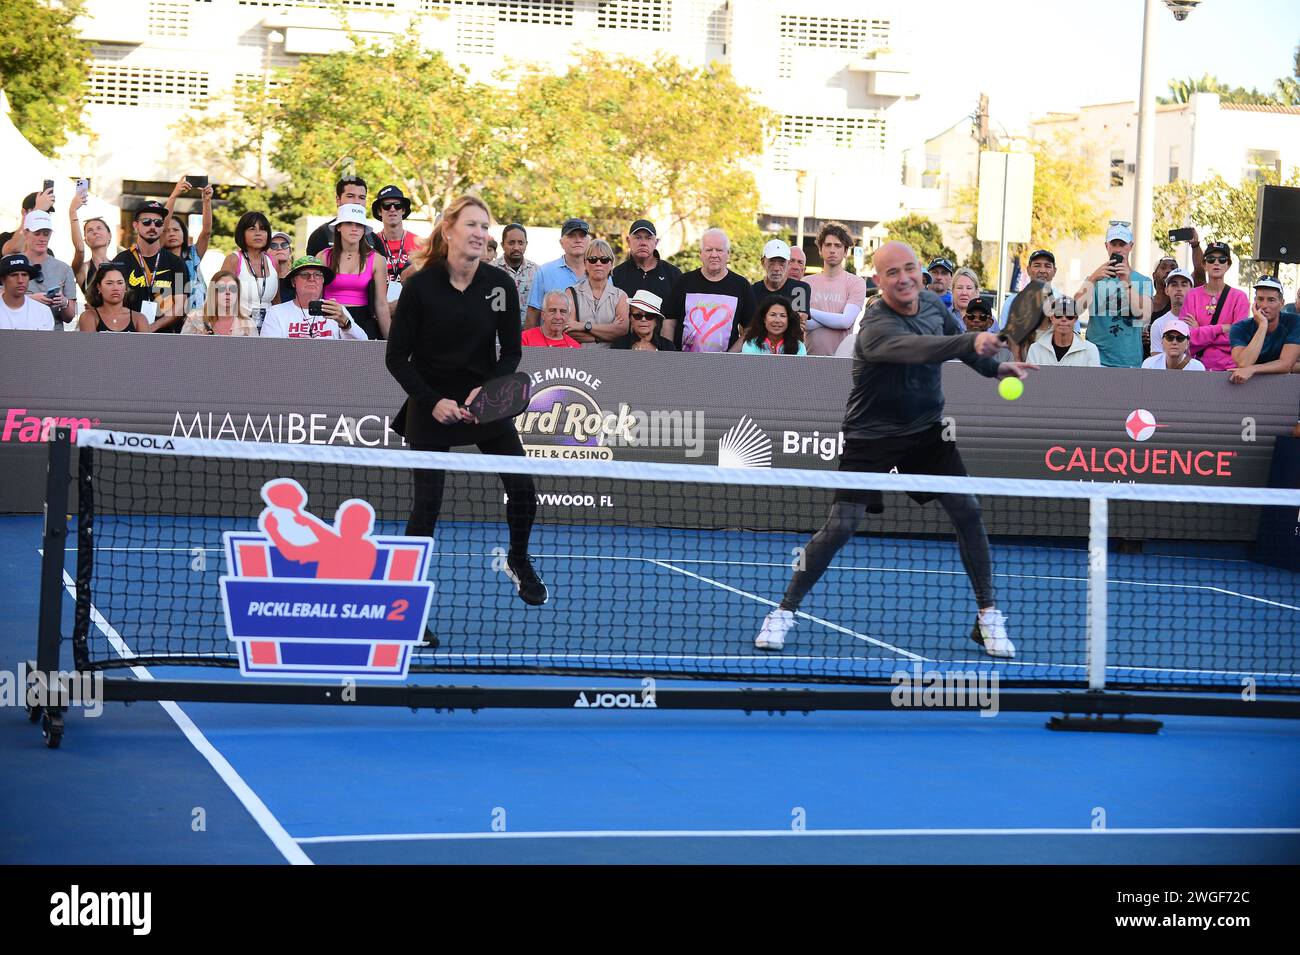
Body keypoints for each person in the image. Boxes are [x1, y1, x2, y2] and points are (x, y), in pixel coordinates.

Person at [753, 241, 1033, 658]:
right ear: (878, 280)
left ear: (920, 272)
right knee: (841, 526)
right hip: (870, 436)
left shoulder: (934, 307)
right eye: (892, 272)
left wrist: (996, 368)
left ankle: (988, 616)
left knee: (968, 511)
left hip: (925, 431)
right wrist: (968, 344)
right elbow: (919, 350)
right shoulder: (876, 326)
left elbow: (959, 342)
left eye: (910, 269)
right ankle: (783, 612)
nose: (904, 278)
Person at [385, 194, 545, 624]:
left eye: (484, 226)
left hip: (484, 405)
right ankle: (401, 608)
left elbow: (512, 351)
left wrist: (488, 391)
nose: (480, 233)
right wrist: (434, 401)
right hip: (430, 406)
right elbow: (396, 359)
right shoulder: (419, 285)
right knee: (427, 506)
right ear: (449, 229)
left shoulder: (500, 285)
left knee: (524, 489)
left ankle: (517, 559)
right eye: (471, 225)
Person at [662, 228, 756, 352]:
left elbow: (751, 328)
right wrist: (669, 354)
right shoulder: (683, 282)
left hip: (725, 367)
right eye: (709, 250)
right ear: (700, 253)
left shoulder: (741, 286)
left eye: (719, 250)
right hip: (683, 364)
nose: (714, 255)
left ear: (728, 253)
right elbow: (669, 322)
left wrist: (732, 356)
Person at [1074, 222, 1152, 368]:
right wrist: (1092, 279)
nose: (1118, 249)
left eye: (1122, 244)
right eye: (1114, 244)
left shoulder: (1143, 281)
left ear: (1131, 246)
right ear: (1106, 246)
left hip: (1129, 362)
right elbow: (1074, 310)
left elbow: (1144, 316)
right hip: (1096, 360)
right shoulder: (1094, 277)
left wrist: (1126, 282)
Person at [111, 201, 187, 332]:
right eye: (146, 221)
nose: (152, 226)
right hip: (127, 335)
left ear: (162, 227)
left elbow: (180, 306)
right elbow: (110, 301)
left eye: (158, 223)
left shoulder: (176, 263)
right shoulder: (120, 261)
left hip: (164, 338)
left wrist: (151, 327)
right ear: (135, 225)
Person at [320, 203, 389, 339]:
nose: (354, 229)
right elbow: (314, 296)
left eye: (359, 225)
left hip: (362, 323)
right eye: (349, 223)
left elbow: (381, 304)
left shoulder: (377, 259)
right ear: (339, 227)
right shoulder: (323, 256)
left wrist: (391, 343)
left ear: (364, 230)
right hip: (328, 321)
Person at [1177, 241, 1249, 371]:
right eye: (1211, 259)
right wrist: (1222, 328)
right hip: (1195, 368)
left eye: (1222, 259)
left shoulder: (1240, 297)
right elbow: (1186, 338)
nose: (1216, 263)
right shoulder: (1191, 295)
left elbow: (1238, 339)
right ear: (1204, 265)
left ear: (1228, 265)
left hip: (1228, 370)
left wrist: (1200, 330)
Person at [260, 256, 364, 340]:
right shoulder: (276, 312)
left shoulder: (336, 310)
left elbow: (364, 346)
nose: (312, 279)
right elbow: (270, 352)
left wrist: (345, 323)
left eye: (318, 275)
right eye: (305, 275)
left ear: (323, 280)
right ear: (293, 282)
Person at [806, 222, 865, 355]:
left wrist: (810, 311)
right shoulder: (805, 283)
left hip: (841, 362)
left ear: (845, 252)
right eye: (827, 245)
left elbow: (845, 322)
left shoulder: (856, 282)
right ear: (820, 250)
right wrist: (837, 319)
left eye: (838, 246)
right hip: (809, 361)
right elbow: (804, 324)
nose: (832, 250)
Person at [1228, 277, 1300, 384]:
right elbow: (1244, 363)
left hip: (1284, 384)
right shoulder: (1239, 327)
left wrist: (1253, 369)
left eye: (1271, 300)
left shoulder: (1294, 322)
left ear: (1282, 303)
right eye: (1260, 299)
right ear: (1254, 302)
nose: (1265, 306)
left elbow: (1286, 364)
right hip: (1248, 384)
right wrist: (1262, 326)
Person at [161, 177, 213, 314]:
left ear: (184, 233)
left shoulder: (193, 254)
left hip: (197, 317)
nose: (171, 233)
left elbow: (206, 232)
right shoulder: (158, 258)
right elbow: (162, 225)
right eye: (167, 231)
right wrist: (174, 195)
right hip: (168, 316)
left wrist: (206, 201)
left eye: (176, 230)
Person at [525, 217, 589, 327]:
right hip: (552, 343)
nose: (578, 240)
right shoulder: (545, 272)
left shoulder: (601, 272)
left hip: (593, 343)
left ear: (589, 240)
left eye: (582, 236)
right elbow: (532, 315)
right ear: (561, 242)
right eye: (571, 236)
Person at [219, 211, 278, 330]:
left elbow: (277, 301)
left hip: (270, 327)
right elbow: (218, 299)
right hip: (239, 328)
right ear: (242, 233)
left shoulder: (272, 260)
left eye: (262, 229)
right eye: (252, 229)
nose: (258, 233)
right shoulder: (233, 259)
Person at [565, 238, 628, 347]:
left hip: (611, 359)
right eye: (593, 259)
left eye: (604, 259)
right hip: (578, 358)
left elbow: (621, 331)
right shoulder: (571, 292)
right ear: (585, 263)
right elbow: (569, 330)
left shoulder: (620, 296)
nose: (598, 263)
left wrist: (583, 326)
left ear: (611, 264)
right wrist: (607, 333)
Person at [18, 211, 76, 327]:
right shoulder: (11, 263)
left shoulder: (64, 269)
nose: (42, 238)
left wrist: (63, 302)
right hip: (18, 333)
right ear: (25, 233)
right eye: (37, 233)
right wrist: (30, 299)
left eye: (46, 233)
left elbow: (69, 317)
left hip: (52, 336)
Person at [306, 175, 387, 258]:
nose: (357, 202)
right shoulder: (321, 236)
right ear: (338, 200)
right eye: (350, 196)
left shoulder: (374, 240)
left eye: (361, 198)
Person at [610, 218, 682, 301]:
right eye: (638, 237)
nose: (643, 243)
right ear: (628, 241)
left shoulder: (673, 274)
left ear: (656, 242)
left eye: (648, 238)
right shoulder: (617, 275)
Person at [751, 238, 811, 328]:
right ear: (763, 262)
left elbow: (799, 327)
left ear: (788, 263)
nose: (776, 268)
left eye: (782, 262)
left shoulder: (800, 289)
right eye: (772, 261)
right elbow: (747, 327)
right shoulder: (752, 290)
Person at [180, 269, 260, 337]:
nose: (228, 292)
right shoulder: (195, 318)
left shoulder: (248, 323)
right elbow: (180, 351)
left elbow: (256, 354)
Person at [1026, 295, 1101, 367]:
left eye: (1069, 316)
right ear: (1051, 318)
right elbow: (1032, 379)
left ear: (1075, 319)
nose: (1064, 319)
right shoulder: (1035, 349)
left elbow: (1094, 379)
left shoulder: (1090, 350)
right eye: (1058, 314)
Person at [78, 261, 150, 333]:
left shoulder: (139, 319)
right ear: (99, 287)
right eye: (109, 283)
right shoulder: (89, 317)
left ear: (126, 287)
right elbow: (89, 344)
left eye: (120, 283)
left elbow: (146, 344)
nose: (115, 288)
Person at [998, 249, 1056, 332]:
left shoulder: (1063, 302)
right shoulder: (1011, 302)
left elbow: (1075, 339)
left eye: (1047, 266)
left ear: (1054, 271)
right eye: (1037, 265)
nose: (1042, 270)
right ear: (1028, 270)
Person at [371, 185, 418, 286]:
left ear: (403, 210)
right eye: (386, 205)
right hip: (379, 300)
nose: (392, 209)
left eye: (397, 205)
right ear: (379, 211)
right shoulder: (370, 243)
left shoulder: (419, 243)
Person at [67, 191, 113, 293]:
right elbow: (79, 249)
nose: (95, 232)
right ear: (85, 239)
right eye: (90, 230)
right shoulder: (82, 268)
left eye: (99, 228)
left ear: (109, 236)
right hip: (93, 309)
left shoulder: (120, 265)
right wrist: (72, 211)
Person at [493, 223, 538, 326]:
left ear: (526, 244)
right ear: (502, 244)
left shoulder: (537, 272)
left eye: (521, 243)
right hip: (497, 337)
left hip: (528, 337)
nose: (516, 247)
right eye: (511, 243)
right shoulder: (490, 270)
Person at [0, 254, 56, 329]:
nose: (20, 280)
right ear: (3, 280)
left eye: (24, 275)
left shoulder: (43, 312)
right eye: (14, 275)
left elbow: (45, 340)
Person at [738, 295, 807, 355]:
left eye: (783, 316)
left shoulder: (798, 346)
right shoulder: (751, 344)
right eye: (773, 315)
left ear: (789, 320)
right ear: (764, 319)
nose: (777, 320)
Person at [611, 290, 675, 351]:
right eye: (637, 316)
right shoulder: (619, 345)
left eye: (649, 316)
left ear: (656, 321)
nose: (643, 319)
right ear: (630, 319)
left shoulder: (668, 346)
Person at [1148, 267, 1194, 353]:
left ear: (1192, 290)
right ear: (1166, 290)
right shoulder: (1158, 324)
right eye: (1174, 284)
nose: (1179, 288)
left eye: (1184, 285)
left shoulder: (1199, 321)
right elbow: (1156, 359)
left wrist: (1198, 331)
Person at [268, 231, 294, 303]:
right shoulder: (262, 279)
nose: (279, 248)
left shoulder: (298, 277)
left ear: (290, 251)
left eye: (284, 245)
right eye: (273, 245)